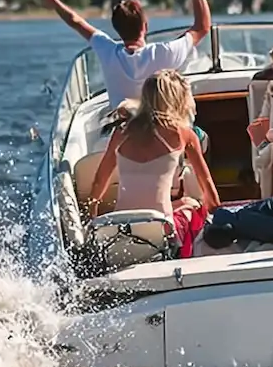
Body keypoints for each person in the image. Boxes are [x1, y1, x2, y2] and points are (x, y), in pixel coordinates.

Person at [88, 70, 221, 257]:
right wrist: (218, 216)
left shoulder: (121, 132)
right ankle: (184, 258)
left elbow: (99, 180)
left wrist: (91, 214)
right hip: (161, 230)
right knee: (194, 206)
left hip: (122, 227)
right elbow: (206, 184)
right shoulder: (183, 134)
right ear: (177, 99)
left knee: (182, 203)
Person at [43, 0, 212, 108]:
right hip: (158, 127)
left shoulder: (108, 51)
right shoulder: (165, 52)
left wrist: (55, 3)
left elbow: (76, 21)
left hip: (123, 128)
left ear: (116, 28)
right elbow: (202, 27)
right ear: (145, 26)